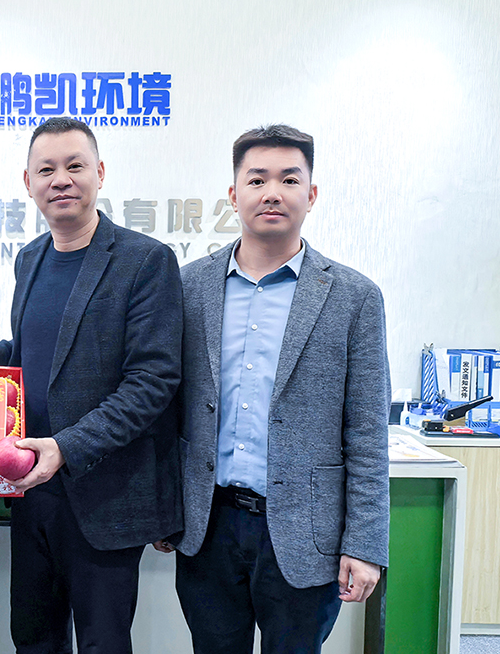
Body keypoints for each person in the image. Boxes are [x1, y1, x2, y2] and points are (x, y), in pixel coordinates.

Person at [0, 117, 183, 653]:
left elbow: (152, 381)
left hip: (104, 493)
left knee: (103, 643)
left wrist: (65, 447)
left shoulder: (145, 260)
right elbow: (46, 345)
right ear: (28, 183)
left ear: (100, 173)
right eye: (46, 170)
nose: (60, 179)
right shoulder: (30, 258)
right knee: (33, 637)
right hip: (31, 491)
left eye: (74, 165)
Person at [171, 124, 390, 653]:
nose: (272, 192)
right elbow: (166, 405)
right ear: (234, 194)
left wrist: (365, 543)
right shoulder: (188, 285)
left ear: (311, 195)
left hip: (304, 531)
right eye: (257, 180)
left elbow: (368, 432)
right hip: (209, 525)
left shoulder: (354, 297)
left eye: (289, 179)